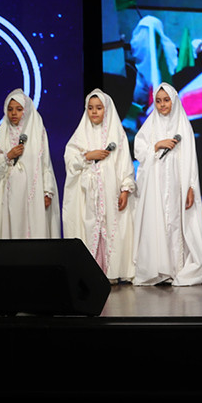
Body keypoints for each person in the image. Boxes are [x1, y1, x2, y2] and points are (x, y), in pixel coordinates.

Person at [131, 83, 202, 286]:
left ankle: (175, 268)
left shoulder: (183, 126)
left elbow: (191, 160)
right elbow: (139, 150)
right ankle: (158, 268)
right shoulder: (150, 125)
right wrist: (157, 145)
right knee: (158, 221)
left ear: (173, 101)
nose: (162, 105)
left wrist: (191, 187)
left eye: (166, 100)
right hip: (155, 184)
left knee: (175, 221)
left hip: (176, 183)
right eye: (158, 101)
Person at [62, 89, 135, 282]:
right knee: (89, 227)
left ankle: (111, 272)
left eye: (99, 108)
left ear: (107, 110)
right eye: (90, 108)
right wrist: (88, 156)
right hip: (88, 194)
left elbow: (124, 164)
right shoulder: (80, 135)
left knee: (111, 228)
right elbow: (70, 160)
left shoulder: (116, 135)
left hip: (111, 191)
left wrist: (125, 189)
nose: (94, 112)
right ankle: (91, 271)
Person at [0, 89, 60, 239]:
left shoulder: (37, 131)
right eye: (10, 109)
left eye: (19, 109)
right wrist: (8, 156)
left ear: (26, 111)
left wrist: (47, 191)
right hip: (8, 193)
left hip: (33, 192)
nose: (14, 113)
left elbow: (45, 163)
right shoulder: (2, 133)